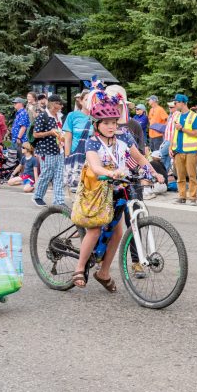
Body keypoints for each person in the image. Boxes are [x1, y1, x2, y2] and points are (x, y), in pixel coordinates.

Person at [71, 93, 159, 291]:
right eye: (106, 123)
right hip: (97, 189)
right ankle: (79, 268)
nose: (111, 126)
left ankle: (103, 272)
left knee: (118, 231)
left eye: (113, 122)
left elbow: (139, 158)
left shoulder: (124, 136)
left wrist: (154, 172)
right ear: (97, 124)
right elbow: (95, 166)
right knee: (94, 229)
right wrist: (110, 172)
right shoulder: (93, 142)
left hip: (119, 187)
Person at [31, 94, 66, 207]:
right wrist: (50, 132)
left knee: (59, 176)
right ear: (53, 104)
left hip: (59, 150)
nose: (61, 106)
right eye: (59, 104)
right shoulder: (43, 116)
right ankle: (37, 196)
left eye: (61, 104)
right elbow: (36, 134)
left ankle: (59, 201)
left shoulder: (58, 116)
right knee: (46, 174)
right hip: (46, 150)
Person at [170, 93, 197, 204]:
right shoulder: (177, 115)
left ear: (182, 103)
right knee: (180, 176)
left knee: (192, 176)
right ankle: (182, 197)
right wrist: (171, 147)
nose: (175, 104)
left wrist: (182, 129)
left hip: (190, 151)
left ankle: (193, 198)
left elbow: (196, 133)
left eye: (176, 102)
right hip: (178, 150)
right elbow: (174, 133)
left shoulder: (194, 116)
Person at [62, 93, 92, 191]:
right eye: (87, 99)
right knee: (76, 186)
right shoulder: (72, 116)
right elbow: (68, 138)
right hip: (76, 155)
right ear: (81, 101)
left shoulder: (99, 117)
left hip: (93, 155)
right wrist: (67, 156)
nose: (89, 102)